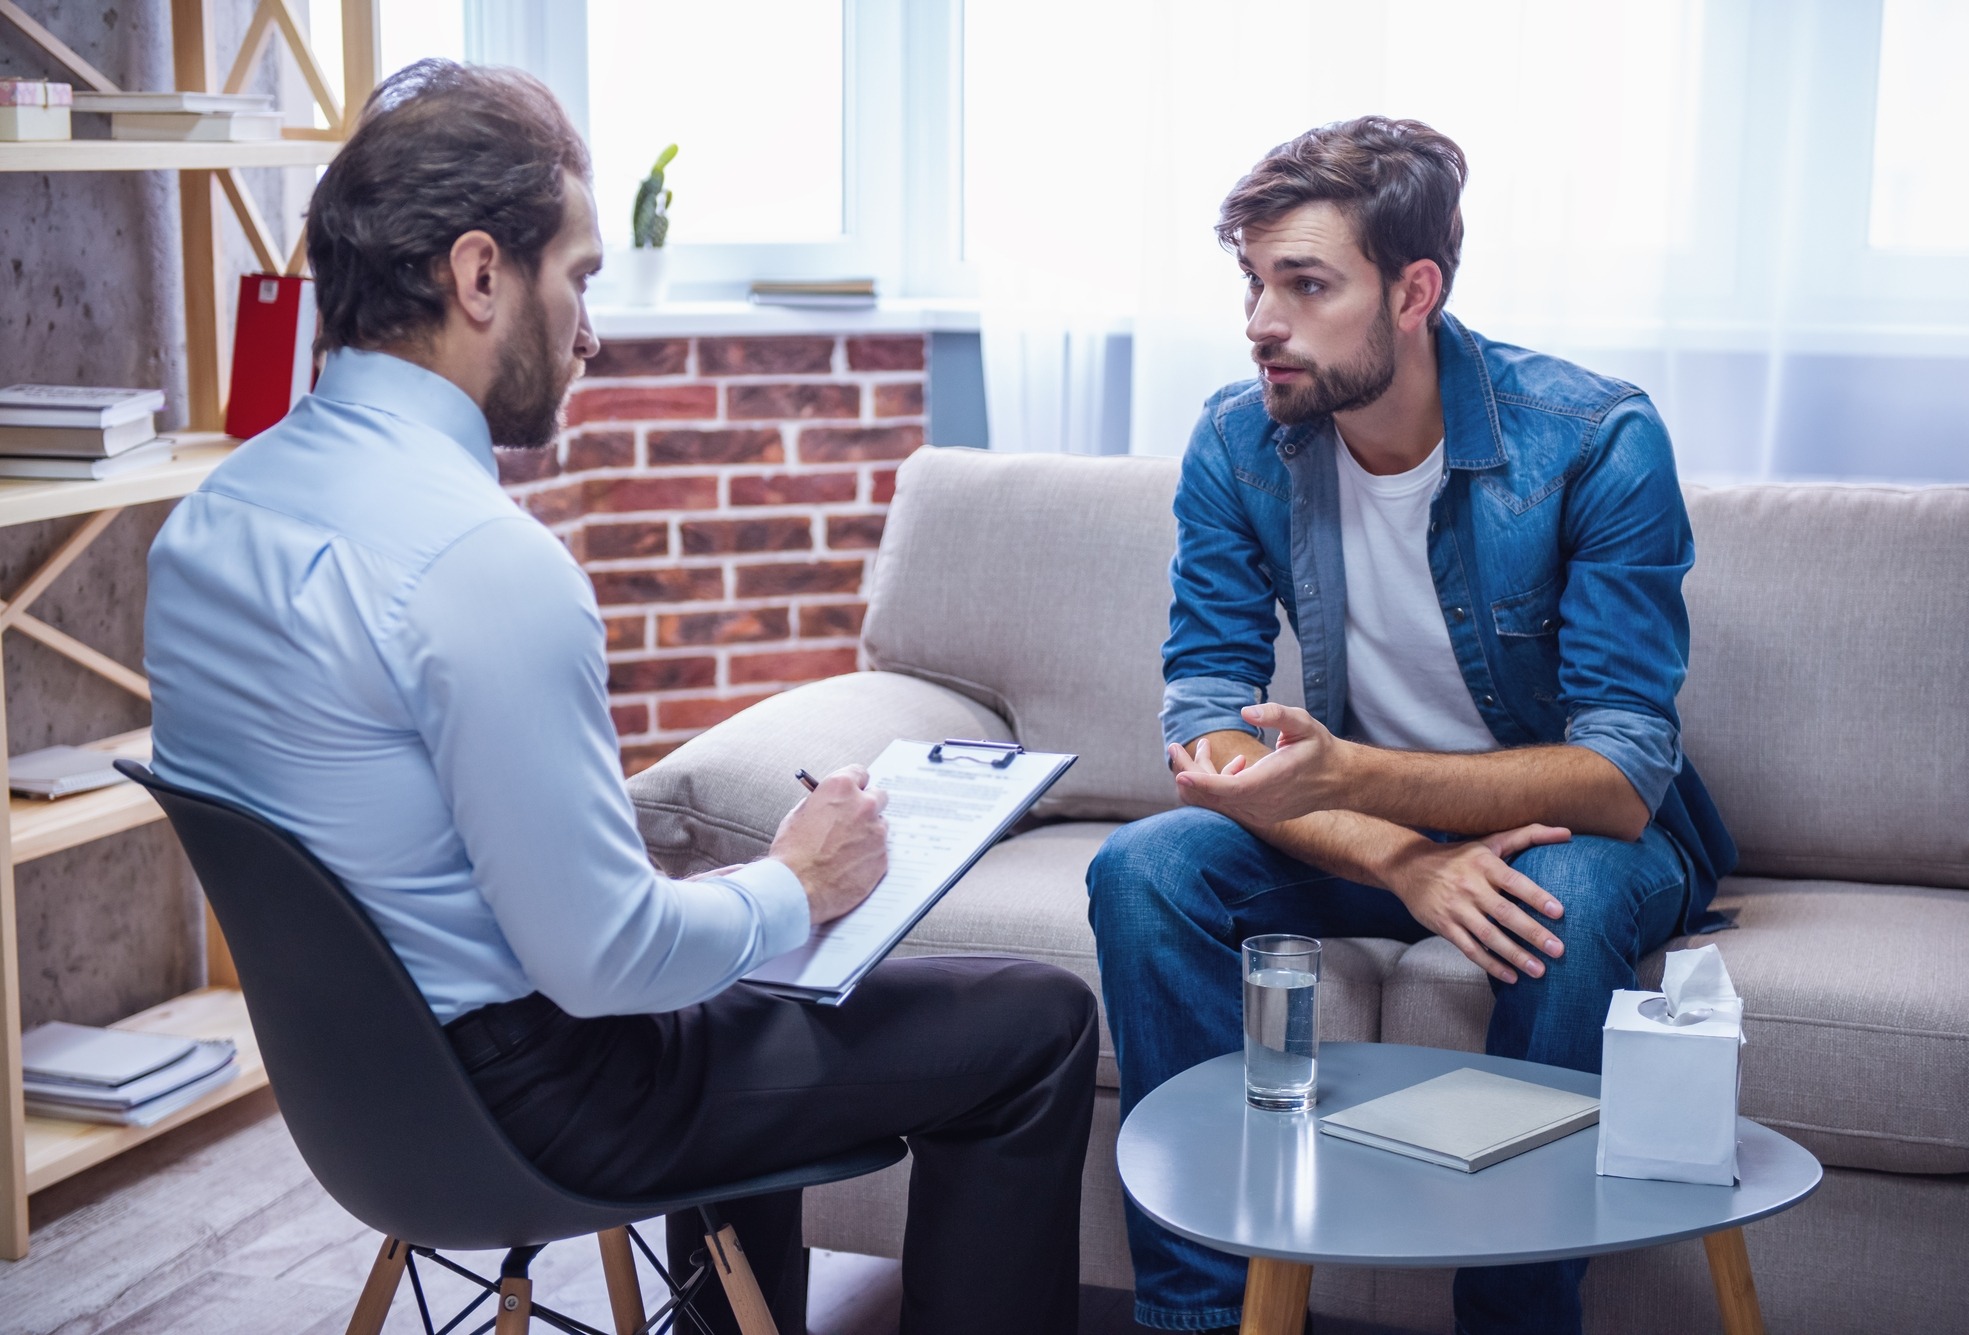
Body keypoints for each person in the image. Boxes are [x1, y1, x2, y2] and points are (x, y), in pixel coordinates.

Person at [143, 61, 1097, 1335]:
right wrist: (801, 884)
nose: (589, 329)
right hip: (538, 1105)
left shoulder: (209, 522)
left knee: (754, 977)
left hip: (361, 1107)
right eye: (579, 276)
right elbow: (608, 968)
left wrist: (740, 911)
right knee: (1032, 1020)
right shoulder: (481, 566)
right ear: (480, 277)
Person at [1086, 116, 1737, 1335]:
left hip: (1568, 837)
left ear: (1412, 290)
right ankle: (1197, 1318)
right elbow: (1205, 725)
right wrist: (1400, 855)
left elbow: (1617, 777)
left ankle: (1513, 1317)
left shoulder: (1593, 441)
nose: (1259, 321)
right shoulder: (1238, 440)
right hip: (1360, 836)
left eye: (1304, 284)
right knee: (1140, 872)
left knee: (1575, 895)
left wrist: (1348, 779)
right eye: (1251, 281)